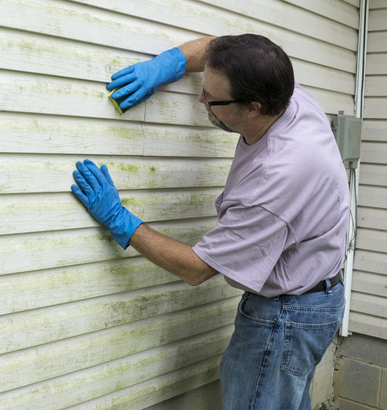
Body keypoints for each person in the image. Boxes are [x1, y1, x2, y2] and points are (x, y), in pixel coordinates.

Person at [71, 34, 349, 409]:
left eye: (212, 98)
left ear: (252, 108)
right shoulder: (285, 92)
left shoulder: (273, 183)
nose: (201, 99)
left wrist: (120, 219)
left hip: (288, 317)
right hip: (316, 294)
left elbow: (197, 269)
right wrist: (168, 65)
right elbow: (219, 49)